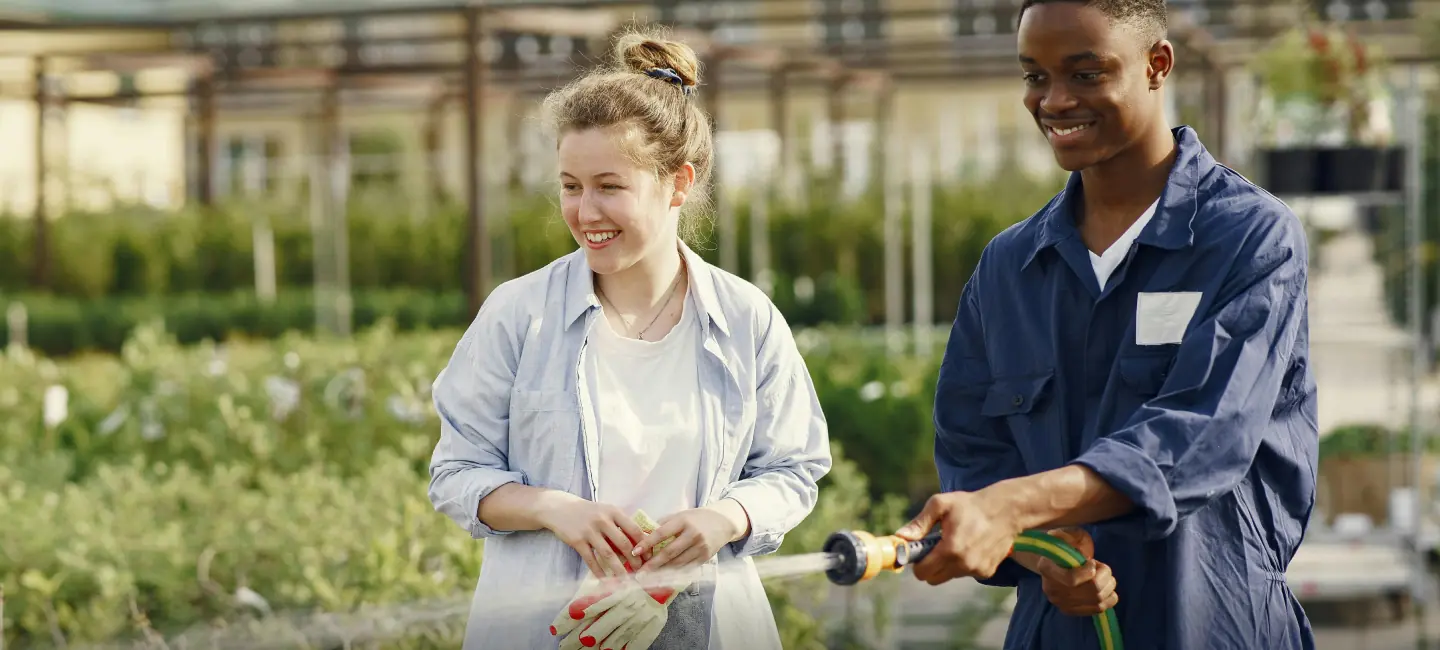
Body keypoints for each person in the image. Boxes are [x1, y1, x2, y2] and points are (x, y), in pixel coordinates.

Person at [893, 1, 1319, 649]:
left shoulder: (1250, 238)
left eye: (1086, 74)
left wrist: (1013, 508)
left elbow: (1203, 434)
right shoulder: (1009, 268)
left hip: (1215, 622)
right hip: (1056, 631)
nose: (1055, 101)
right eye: (1035, 76)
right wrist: (1046, 555)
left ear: (1157, 65)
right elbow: (973, 456)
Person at [425, 27, 832, 650]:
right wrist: (555, 509)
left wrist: (725, 518)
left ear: (679, 183)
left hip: (711, 628)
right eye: (570, 186)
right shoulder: (518, 315)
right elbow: (456, 473)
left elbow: (794, 467)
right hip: (548, 630)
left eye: (610, 186)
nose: (586, 211)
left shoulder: (746, 319)